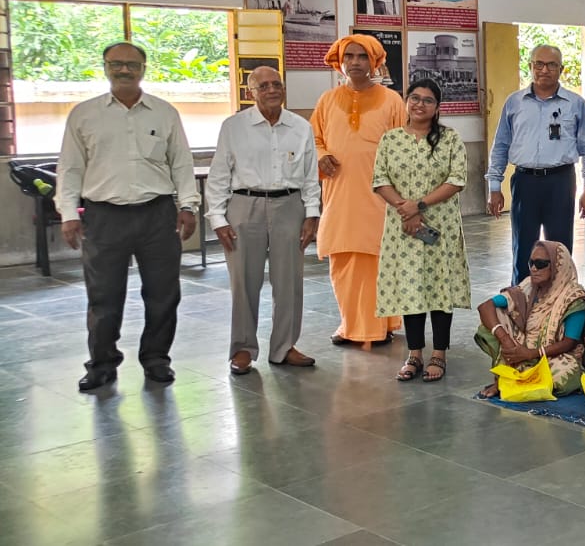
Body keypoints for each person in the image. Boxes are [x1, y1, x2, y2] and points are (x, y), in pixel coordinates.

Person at [56, 42, 200, 391]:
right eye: (116, 64)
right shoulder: (85, 114)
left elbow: (181, 162)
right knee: (104, 296)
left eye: (131, 65)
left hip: (157, 215)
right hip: (104, 217)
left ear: (144, 68)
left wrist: (188, 205)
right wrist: (67, 213)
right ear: (104, 67)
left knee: (164, 293)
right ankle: (102, 364)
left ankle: (156, 359)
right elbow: (70, 168)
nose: (124, 70)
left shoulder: (163, 113)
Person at [208, 66, 320, 375]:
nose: (272, 90)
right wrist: (217, 217)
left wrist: (312, 213)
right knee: (244, 281)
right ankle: (243, 348)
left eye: (277, 84)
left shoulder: (300, 126)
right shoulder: (233, 126)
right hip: (245, 206)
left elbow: (311, 174)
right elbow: (218, 175)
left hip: (290, 206)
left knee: (290, 281)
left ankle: (284, 347)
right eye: (264, 85)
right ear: (250, 92)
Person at [374, 79, 471, 382]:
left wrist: (419, 206)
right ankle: (414, 353)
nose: (419, 104)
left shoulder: (450, 139)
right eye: (414, 98)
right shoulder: (390, 140)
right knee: (409, 286)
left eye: (428, 100)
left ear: (438, 107)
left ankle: (439, 354)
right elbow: (380, 179)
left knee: (440, 286)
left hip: (439, 225)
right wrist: (406, 209)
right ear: (406, 102)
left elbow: (457, 179)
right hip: (403, 228)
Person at [313, 34, 406, 347]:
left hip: (379, 197)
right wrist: (320, 156)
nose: (354, 62)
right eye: (349, 56)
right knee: (342, 261)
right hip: (339, 195)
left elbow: (405, 147)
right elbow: (314, 139)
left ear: (375, 61)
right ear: (340, 61)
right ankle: (350, 324)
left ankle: (377, 328)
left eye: (362, 56)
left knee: (377, 262)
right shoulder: (327, 100)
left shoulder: (392, 101)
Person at [486, 45, 585, 282]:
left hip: (560, 181)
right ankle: (522, 304)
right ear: (530, 67)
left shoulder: (575, 104)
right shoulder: (514, 103)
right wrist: (494, 188)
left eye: (551, 65)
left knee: (559, 249)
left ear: (561, 69)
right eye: (538, 64)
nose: (544, 70)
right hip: (525, 181)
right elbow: (500, 147)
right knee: (523, 247)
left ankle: (561, 301)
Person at [473, 241, 585, 398]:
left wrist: (531, 354)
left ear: (558, 266)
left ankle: (511, 379)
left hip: (554, 355)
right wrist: (505, 340)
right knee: (493, 320)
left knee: (565, 374)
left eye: (541, 264)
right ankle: (521, 378)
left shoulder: (573, 296)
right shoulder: (528, 287)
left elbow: (569, 342)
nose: (533, 269)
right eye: (531, 263)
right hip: (523, 347)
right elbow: (486, 306)